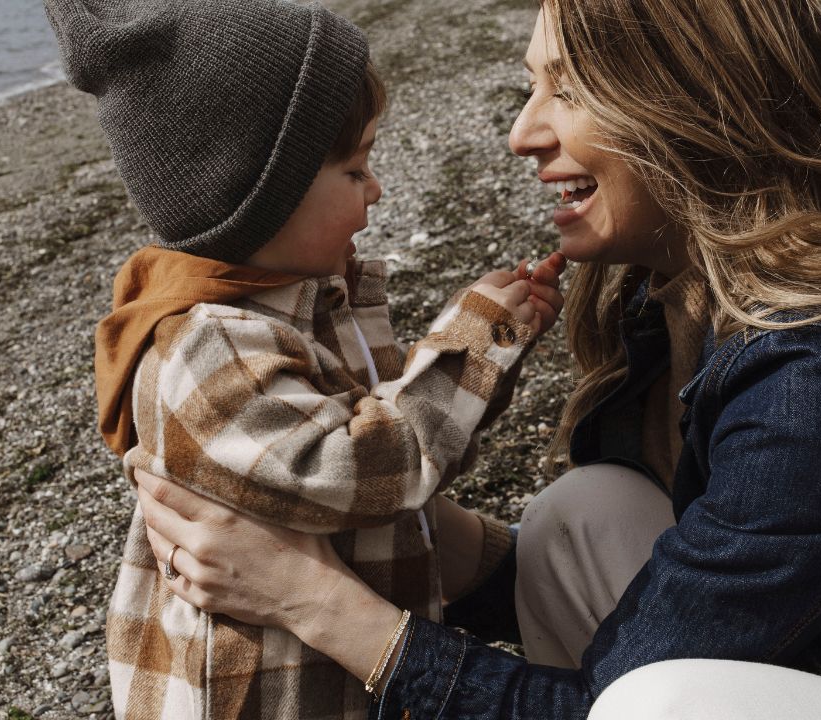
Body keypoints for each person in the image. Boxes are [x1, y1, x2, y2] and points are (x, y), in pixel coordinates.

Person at [131, 0, 821, 718]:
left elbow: (607, 704)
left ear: (695, 107)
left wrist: (311, 602)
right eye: (529, 87)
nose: (519, 133)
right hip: (812, 672)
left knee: (652, 705)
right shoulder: (676, 298)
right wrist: (437, 549)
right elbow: (692, 599)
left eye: (566, 91)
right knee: (584, 511)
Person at [44, 0, 565, 717]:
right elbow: (362, 472)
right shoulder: (207, 347)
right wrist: (477, 342)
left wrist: (492, 349)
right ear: (259, 198)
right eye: (355, 170)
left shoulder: (306, 304)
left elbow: (410, 449)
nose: (376, 190)